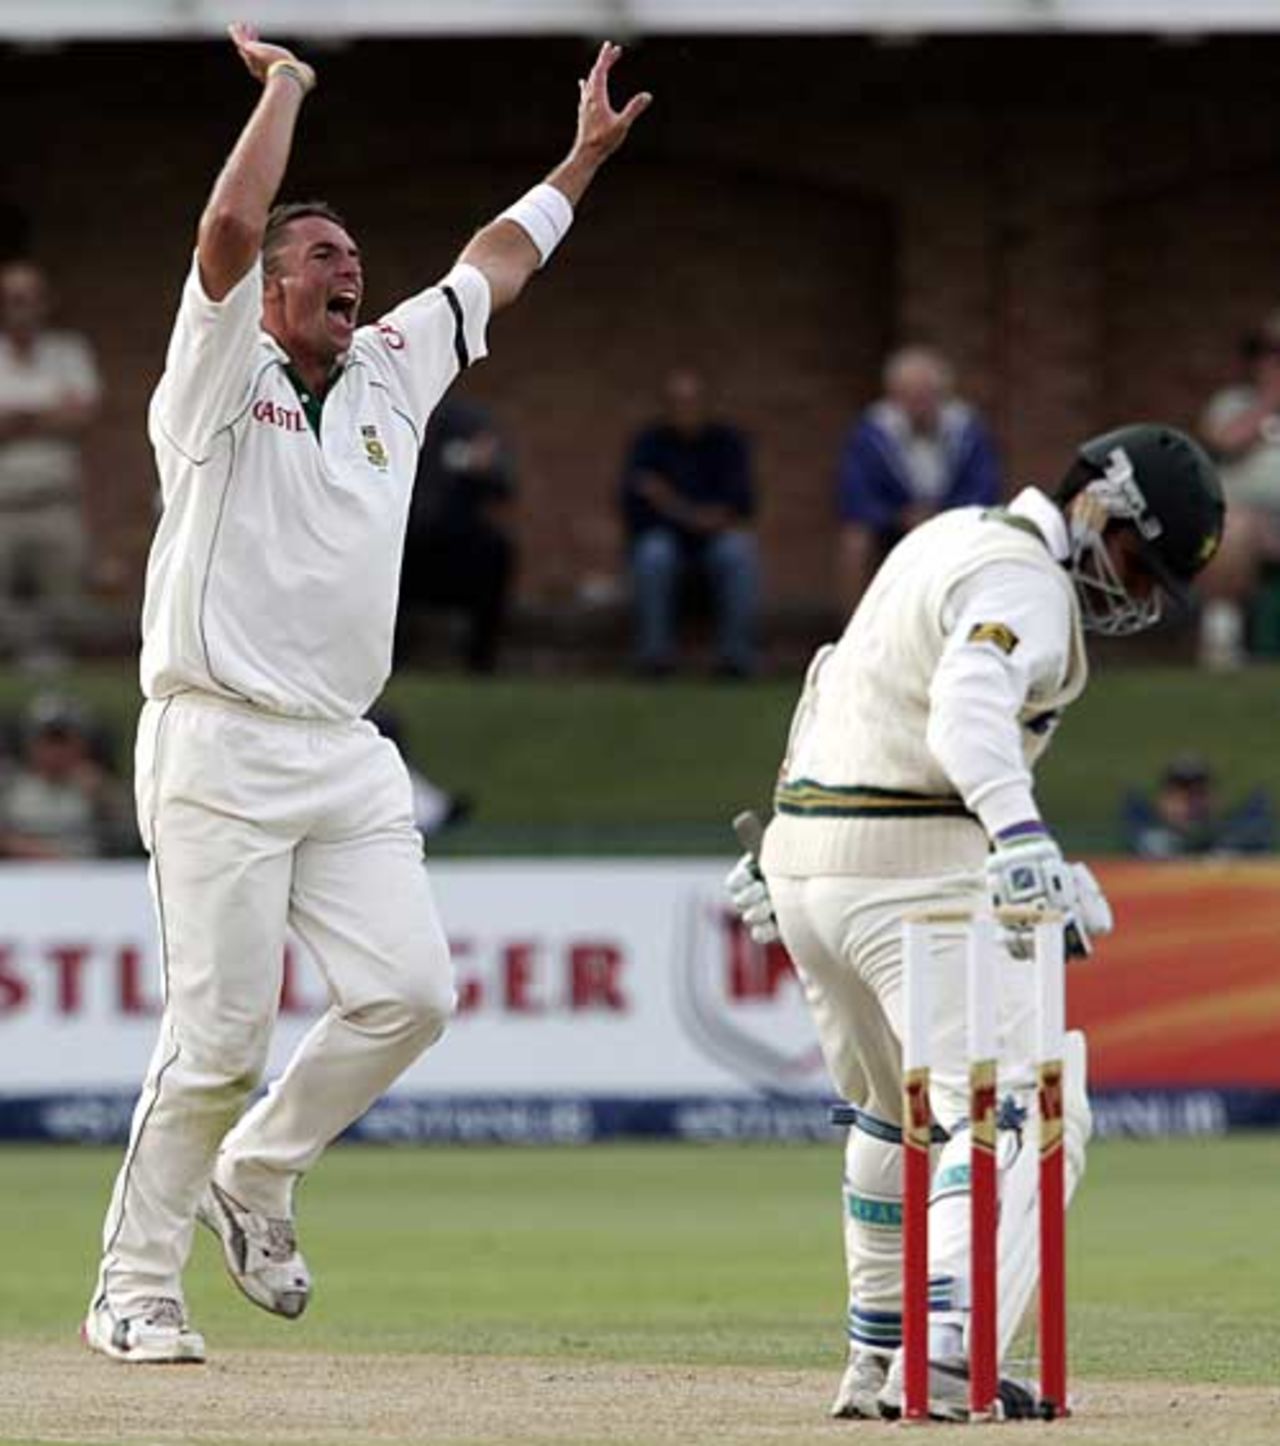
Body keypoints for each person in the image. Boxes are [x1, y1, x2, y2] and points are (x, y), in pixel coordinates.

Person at [83, 24, 649, 1365]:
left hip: (344, 749)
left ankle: (259, 1172)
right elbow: (230, 219)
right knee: (217, 1038)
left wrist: (577, 162)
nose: (351, 274)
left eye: (354, 262)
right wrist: (286, 84)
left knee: (411, 994)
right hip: (216, 741)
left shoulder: (396, 364)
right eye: (324, 260)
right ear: (271, 295)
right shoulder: (217, 374)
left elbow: (493, 266)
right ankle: (133, 1286)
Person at [727, 423, 1224, 1420]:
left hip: (811, 859)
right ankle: (946, 1345)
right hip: (907, 865)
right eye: (1137, 563)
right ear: (1098, 502)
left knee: (885, 1111)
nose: (1134, 596)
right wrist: (1019, 837)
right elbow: (963, 711)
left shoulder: (946, 535)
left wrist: (781, 829)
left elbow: (832, 674)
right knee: (1016, 1113)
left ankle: (874, 1362)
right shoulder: (1024, 583)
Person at [836, 346, 1000, 609]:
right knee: (856, 541)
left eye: (926, 396)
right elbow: (856, 495)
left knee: (998, 538)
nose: (918, 405)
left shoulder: (967, 430)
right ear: (894, 397)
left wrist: (943, 516)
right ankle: (854, 632)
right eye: (908, 397)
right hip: (893, 526)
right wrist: (898, 517)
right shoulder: (872, 433)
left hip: (956, 521)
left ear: (942, 395)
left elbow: (985, 488)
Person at [621, 367, 759, 677]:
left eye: (692, 401)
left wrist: (670, 502)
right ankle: (654, 658)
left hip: (715, 544)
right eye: (678, 402)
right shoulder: (648, 445)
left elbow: (739, 509)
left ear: (705, 404)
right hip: (665, 542)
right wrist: (698, 516)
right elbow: (635, 511)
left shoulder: (727, 444)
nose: (686, 409)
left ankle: (736, 659)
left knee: (738, 551)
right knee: (653, 554)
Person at [0, 260, 102, 663]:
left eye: (28, 297)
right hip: (3, 504)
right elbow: (62, 413)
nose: (20, 306)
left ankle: (57, 699)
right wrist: (48, 413)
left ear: (45, 302)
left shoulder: (68, 352)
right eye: (11, 299)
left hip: (57, 501)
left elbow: (83, 414)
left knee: (65, 611)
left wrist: (15, 418)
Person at [397, 398, 517, 672]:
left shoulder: (470, 421)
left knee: (497, 550)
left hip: (459, 540)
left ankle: (481, 660)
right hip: (409, 534)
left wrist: (485, 468)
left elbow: (505, 487)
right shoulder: (400, 415)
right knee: (393, 552)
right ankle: (392, 656)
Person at [1197, 312, 1280, 668]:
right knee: (1233, 530)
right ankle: (1222, 641)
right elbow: (1225, 442)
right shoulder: (1232, 404)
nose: (1276, 362)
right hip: (1244, 522)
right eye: (1270, 352)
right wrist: (1269, 401)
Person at [0, 693, 134, 859]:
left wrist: (103, 796)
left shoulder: (97, 786)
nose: (56, 751)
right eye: (49, 740)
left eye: (63, 741)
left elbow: (131, 835)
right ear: (30, 744)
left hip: (90, 876)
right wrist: (45, 855)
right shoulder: (10, 785)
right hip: (21, 877)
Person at [1121, 753, 1274, 859]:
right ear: (1163, 801)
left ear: (1216, 800)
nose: (1191, 802)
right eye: (1181, 794)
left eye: (1199, 793)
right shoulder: (1140, 843)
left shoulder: (1240, 844)